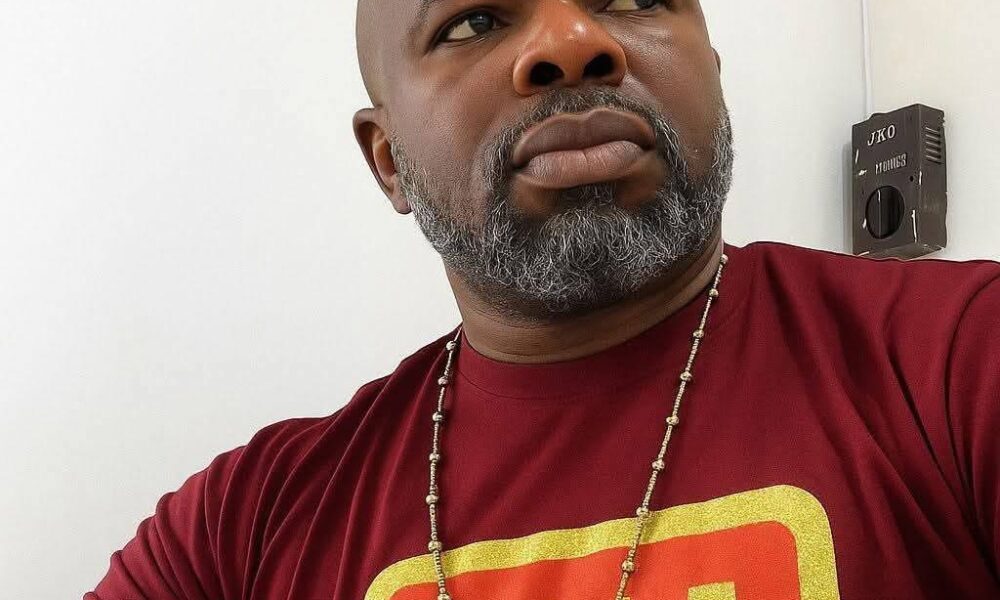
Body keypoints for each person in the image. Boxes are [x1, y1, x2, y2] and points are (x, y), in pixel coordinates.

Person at [86, 0, 1000, 598]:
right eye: (474, 20)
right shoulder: (240, 530)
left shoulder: (959, 361)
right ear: (389, 160)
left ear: (714, 76)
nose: (572, 42)